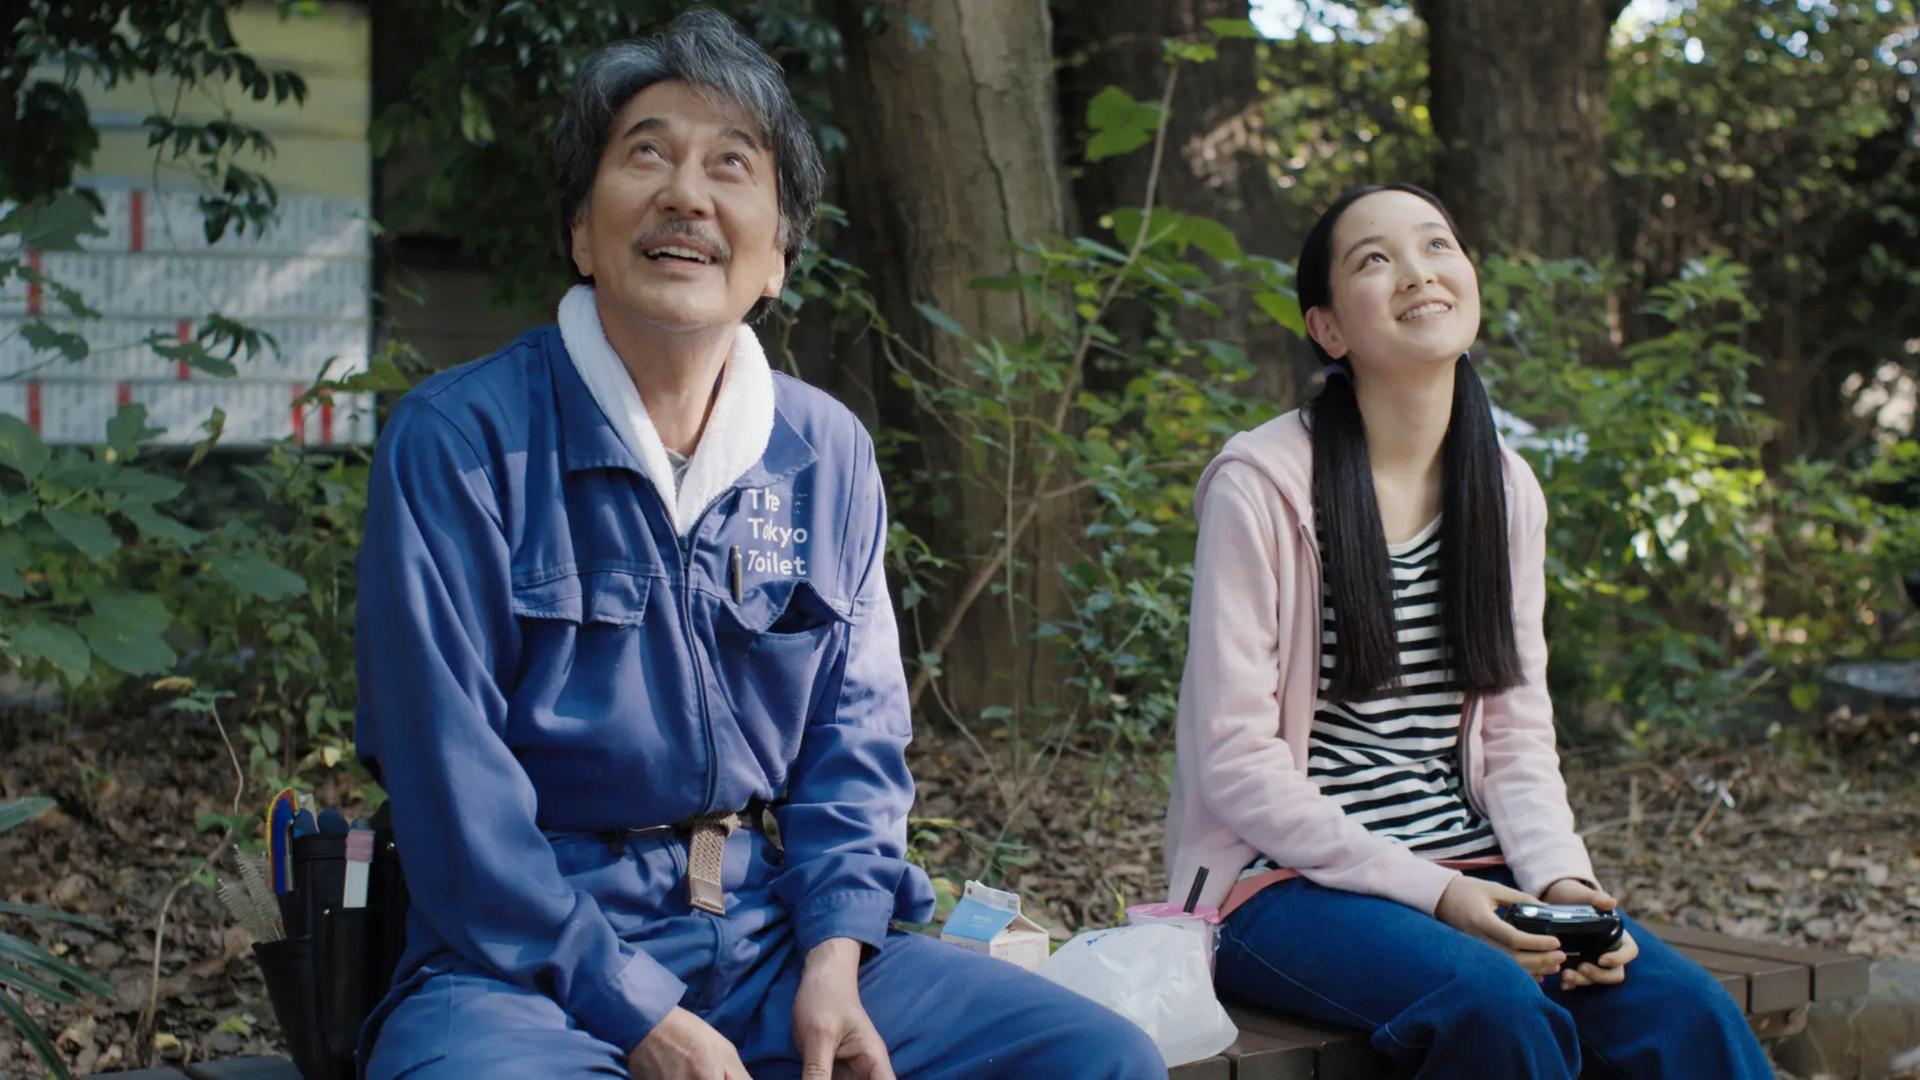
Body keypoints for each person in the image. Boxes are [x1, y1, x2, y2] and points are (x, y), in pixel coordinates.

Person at [353, 11, 1163, 1079]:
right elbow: (451, 801)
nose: (686, 192)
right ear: (583, 234)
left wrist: (833, 956)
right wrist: (638, 1014)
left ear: (779, 254)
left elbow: (855, 751)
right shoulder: (461, 442)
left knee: (1093, 1059)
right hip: (521, 967)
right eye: (646, 153)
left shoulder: (824, 452)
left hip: (775, 936)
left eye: (732, 164)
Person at [1160, 183, 1773, 1078]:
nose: (1418, 271)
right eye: (1375, 259)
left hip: (1472, 866)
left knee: (1688, 1017)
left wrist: (1562, 884)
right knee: (1493, 1009)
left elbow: (1519, 737)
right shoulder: (1261, 484)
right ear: (1329, 329)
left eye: (1437, 245)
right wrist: (1441, 895)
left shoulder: (1505, 488)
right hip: (1276, 887)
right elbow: (1236, 764)